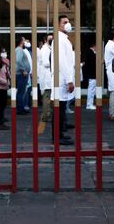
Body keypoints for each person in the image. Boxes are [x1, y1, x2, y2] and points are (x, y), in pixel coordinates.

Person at [51, 15, 75, 145]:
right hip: (61, 79)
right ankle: (57, 136)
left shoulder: (63, 39)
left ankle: (60, 134)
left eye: (68, 21)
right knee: (58, 109)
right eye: (65, 22)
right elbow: (63, 62)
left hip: (63, 78)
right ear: (59, 25)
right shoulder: (59, 40)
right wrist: (69, 80)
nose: (68, 23)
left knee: (60, 109)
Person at [38, 34, 53, 134]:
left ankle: (47, 114)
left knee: (48, 97)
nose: (51, 40)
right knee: (47, 97)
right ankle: (46, 116)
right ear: (45, 40)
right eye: (49, 38)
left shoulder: (49, 48)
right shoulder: (45, 49)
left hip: (48, 76)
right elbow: (46, 62)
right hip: (46, 76)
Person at [104, 30, 114, 121]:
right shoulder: (112, 45)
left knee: (113, 92)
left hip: (111, 70)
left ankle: (112, 113)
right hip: (112, 71)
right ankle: (113, 114)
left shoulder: (108, 45)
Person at [15, 36, 30, 115]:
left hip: (21, 74)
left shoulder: (18, 50)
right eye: (24, 40)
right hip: (21, 74)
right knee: (21, 92)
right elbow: (18, 60)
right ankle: (20, 109)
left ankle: (20, 108)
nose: (25, 42)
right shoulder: (19, 50)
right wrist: (23, 70)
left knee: (21, 91)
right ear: (21, 41)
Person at [82, 41, 97, 110]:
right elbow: (91, 63)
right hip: (92, 74)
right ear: (94, 45)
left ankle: (90, 103)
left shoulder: (89, 52)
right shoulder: (90, 52)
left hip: (91, 74)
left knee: (91, 89)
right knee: (91, 89)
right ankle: (89, 104)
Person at [22, 37, 33, 112]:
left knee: (28, 89)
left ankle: (27, 104)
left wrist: (31, 72)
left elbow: (30, 63)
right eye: (26, 41)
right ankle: (25, 105)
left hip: (29, 73)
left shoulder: (28, 51)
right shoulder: (22, 51)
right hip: (25, 74)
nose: (28, 43)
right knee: (25, 90)